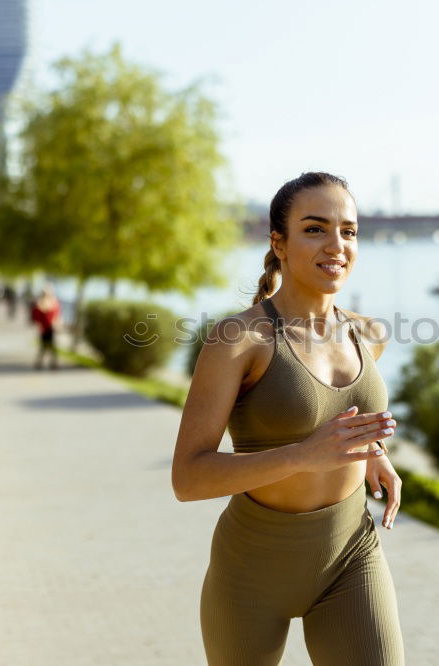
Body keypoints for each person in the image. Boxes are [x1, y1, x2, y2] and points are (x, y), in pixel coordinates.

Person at [172, 172, 405, 665]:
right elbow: (188, 478)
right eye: (316, 229)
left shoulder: (370, 334)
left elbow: (339, 415)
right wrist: (304, 455)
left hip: (350, 555)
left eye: (349, 230)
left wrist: (371, 452)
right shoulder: (237, 339)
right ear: (279, 242)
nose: (337, 245)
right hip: (252, 568)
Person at [30, 285, 62, 370]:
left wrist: (56, 323)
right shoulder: (40, 303)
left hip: (51, 327)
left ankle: (53, 363)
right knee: (43, 346)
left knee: (52, 346)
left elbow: (57, 314)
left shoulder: (53, 302)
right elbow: (36, 315)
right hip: (44, 328)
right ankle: (40, 363)